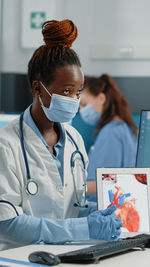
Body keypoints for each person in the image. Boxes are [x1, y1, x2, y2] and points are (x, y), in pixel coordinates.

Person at [0, 20, 122, 250]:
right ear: (38, 89)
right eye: (66, 91)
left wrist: (100, 213)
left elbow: (71, 207)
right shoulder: (6, 144)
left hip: (65, 254)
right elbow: (6, 223)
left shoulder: (74, 140)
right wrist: (83, 228)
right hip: (20, 257)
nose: (74, 100)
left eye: (78, 92)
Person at [80, 75, 138, 201]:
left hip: (104, 209)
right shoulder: (125, 128)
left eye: (84, 104)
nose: (81, 111)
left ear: (101, 98)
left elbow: (105, 182)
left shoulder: (111, 132)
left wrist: (71, 189)